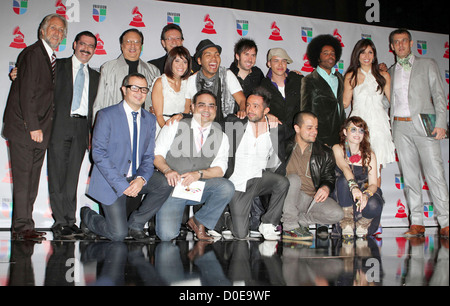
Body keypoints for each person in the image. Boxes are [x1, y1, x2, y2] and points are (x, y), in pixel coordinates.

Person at [81, 73, 169, 242]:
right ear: (124, 90)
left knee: (165, 183)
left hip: (135, 177)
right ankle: (88, 216)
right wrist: (122, 184)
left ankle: (136, 224)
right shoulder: (106, 115)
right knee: (118, 234)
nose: (140, 92)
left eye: (144, 89)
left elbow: (148, 156)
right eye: (134, 88)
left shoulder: (150, 119)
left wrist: (141, 179)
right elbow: (98, 153)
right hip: (111, 180)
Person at [2, 13, 67, 240]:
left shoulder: (49, 58)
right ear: (42, 30)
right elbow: (27, 93)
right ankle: (21, 228)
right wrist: (33, 126)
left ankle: (25, 226)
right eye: (53, 28)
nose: (57, 33)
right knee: (23, 181)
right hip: (25, 129)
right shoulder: (32, 53)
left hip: (38, 131)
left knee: (31, 180)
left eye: (61, 31)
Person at [387, 28, 449, 238]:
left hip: (426, 126)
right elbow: (387, 101)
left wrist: (441, 123)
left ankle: (446, 222)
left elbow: (440, 96)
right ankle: (417, 223)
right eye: (396, 42)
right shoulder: (391, 71)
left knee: (436, 175)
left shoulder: (428, 64)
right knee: (411, 178)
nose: (401, 45)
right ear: (392, 46)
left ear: (412, 43)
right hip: (400, 127)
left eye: (404, 41)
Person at [153, 90, 234, 241]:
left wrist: (199, 174)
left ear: (216, 109)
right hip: (172, 189)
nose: (206, 109)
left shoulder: (221, 136)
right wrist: (167, 170)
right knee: (167, 236)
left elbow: (220, 169)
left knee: (226, 187)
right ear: (192, 107)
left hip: (197, 188)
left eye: (211, 106)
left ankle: (198, 221)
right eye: (201, 105)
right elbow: (156, 154)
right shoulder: (174, 125)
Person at [47, 31, 100, 238]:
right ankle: (60, 221)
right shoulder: (57, 67)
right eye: (83, 44)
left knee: (72, 177)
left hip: (82, 128)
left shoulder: (96, 76)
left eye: (91, 46)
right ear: (75, 44)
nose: (86, 49)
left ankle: (70, 220)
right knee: (57, 174)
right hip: (59, 124)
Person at [223, 87, 289, 240]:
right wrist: (180, 115)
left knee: (282, 182)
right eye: (248, 105)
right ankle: (227, 217)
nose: (250, 109)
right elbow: (208, 121)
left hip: (259, 179)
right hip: (237, 183)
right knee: (241, 235)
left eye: (255, 106)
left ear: (266, 110)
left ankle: (268, 224)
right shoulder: (234, 123)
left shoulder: (276, 128)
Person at [281, 111, 343, 241]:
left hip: (310, 199)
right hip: (286, 198)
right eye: (309, 128)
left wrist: (326, 187)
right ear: (297, 128)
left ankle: (301, 220)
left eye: (316, 128)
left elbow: (329, 176)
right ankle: (289, 226)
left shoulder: (324, 152)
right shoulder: (281, 147)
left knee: (337, 214)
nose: (314, 131)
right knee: (293, 179)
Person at [343, 38, 395, 181]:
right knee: (356, 165)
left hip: (379, 124)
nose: (367, 56)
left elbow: (394, 101)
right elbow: (345, 103)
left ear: (374, 55)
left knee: (376, 167)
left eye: (370, 52)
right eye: (363, 53)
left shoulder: (383, 75)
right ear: (357, 55)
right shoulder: (351, 76)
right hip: (358, 125)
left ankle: (374, 201)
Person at [332, 116, 384, 238]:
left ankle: (363, 224)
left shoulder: (370, 154)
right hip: (343, 193)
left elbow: (373, 184)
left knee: (375, 203)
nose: (357, 134)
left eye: (361, 130)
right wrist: (353, 187)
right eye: (353, 129)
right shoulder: (338, 148)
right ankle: (347, 222)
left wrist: (366, 195)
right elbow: (345, 168)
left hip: (362, 191)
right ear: (345, 132)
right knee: (344, 181)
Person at [93, 28, 159, 119]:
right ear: (122, 45)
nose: (133, 46)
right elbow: (99, 103)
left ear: (141, 46)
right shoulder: (108, 68)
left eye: (136, 42)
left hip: (142, 124)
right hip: (114, 123)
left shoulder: (153, 71)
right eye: (128, 42)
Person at [185, 39, 246, 122]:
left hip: (226, 125)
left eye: (217, 55)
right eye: (208, 55)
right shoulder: (192, 80)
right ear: (199, 61)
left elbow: (242, 100)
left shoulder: (227, 75)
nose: (214, 58)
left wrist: (242, 110)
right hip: (200, 126)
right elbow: (186, 109)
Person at [301, 34, 345, 148]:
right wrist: (312, 137)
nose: (330, 56)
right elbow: (305, 110)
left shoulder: (340, 77)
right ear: (318, 57)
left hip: (340, 135)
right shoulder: (309, 80)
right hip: (320, 136)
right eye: (325, 53)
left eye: (333, 53)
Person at [260, 48, 303, 143]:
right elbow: (257, 108)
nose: (280, 65)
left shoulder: (297, 79)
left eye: (284, 61)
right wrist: (266, 115)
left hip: (299, 136)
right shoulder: (263, 85)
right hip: (276, 138)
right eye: (276, 61)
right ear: (269, 64)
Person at [151, 46, 191, 135]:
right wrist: (169, 133)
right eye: (177, 61)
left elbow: (187, 110)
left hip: (181, 129)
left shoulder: (187, 83)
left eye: (185, 62)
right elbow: (159, 115)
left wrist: (180, 131)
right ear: (170, 62)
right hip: (161, 128)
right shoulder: (160, 82)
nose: (181, 65)